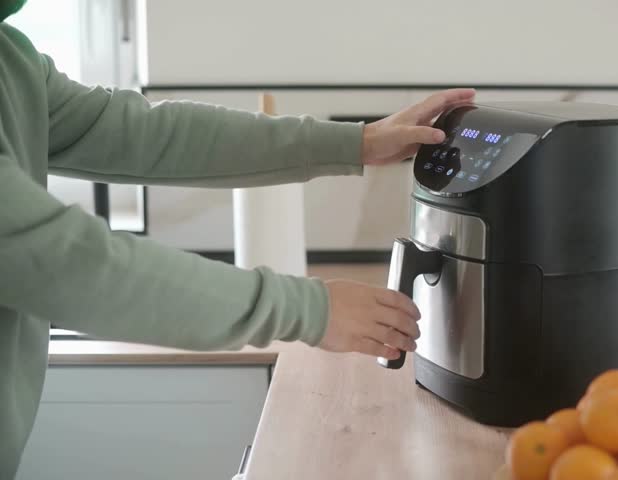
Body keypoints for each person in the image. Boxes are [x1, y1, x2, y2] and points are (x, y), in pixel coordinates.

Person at [0, 5, 475, 477]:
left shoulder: (10, 56)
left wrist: (358, 142)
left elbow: (142, 133)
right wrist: (309, 309)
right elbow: (66, 260)